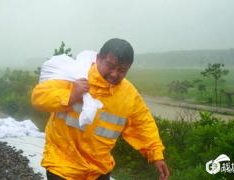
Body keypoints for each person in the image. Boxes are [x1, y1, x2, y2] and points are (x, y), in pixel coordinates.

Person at [32, 38, 170, 180]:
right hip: (62, 163)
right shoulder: (76, 75)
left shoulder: (129, 95)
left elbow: (143, 124)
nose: (114, 74)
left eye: (122, 70)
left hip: (98, 169)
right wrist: (71, 96)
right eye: (110, 66)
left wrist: (156, 155)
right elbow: (39, 97)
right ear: (98, 58)